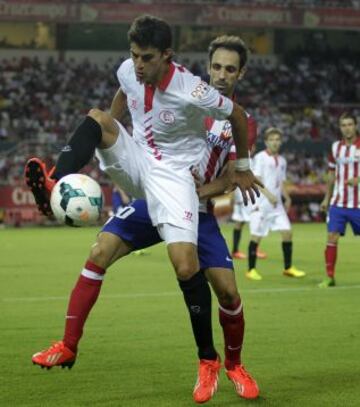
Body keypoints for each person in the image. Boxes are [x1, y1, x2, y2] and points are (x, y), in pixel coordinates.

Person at [25, 17, 261, 404]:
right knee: (99, 248)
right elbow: (123, 93)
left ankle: (229, 364)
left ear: (241, 73)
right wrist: (118, 143)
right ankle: (55, 185)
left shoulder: (218, 110)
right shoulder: (141, 75)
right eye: (216, 66)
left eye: (229, 69)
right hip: (151, 179)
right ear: (208, 65)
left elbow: (232, 173)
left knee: (226, 292)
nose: (221, 75)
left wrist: (236, 173)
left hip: (189, 202)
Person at [246, 127, 306, 281]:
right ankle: (251, 269)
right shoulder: (260, 158)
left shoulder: (282, 160)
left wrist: (287, 197)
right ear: (266, 142)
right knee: (256, 237)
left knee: (287, 232)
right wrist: (269, 195)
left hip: (277, 205)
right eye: (271, 140)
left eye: (277, 140)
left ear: (280, 142)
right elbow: (256, 180)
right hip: (262, 204)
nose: (274, 142)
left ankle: (288, 268)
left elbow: (281, 183)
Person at [319, 112, 360, 288]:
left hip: (358, 204)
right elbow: (331, 174)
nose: (347, 128)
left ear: (356, 125)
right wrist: (326, 198)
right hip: (338, 203)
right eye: (343, 125)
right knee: (332, 237)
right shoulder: (336, 147)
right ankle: (330, 277)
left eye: (350, 124)